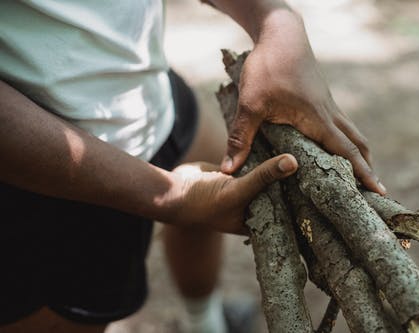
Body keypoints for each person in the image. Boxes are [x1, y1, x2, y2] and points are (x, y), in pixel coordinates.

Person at [0, 1, 386, 332]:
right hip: (44, 170)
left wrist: (276, 22)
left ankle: (204, 324)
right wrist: (169, 197)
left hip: (148, 94)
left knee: (208, 185)